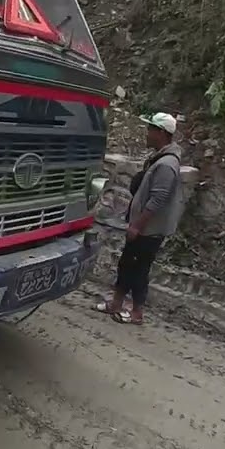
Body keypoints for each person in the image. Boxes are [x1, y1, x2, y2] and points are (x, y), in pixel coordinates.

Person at [96, 112, 186, 325]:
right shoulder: (159, 158)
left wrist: (137, 225)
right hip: (144, 228)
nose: (147, 134)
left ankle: (137, 312)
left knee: (139, 269)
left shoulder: (166, 165)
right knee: (127, 264)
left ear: (162, 133)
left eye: (151, 129)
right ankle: (116, 303)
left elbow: (158, 199)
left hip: (149, 230)